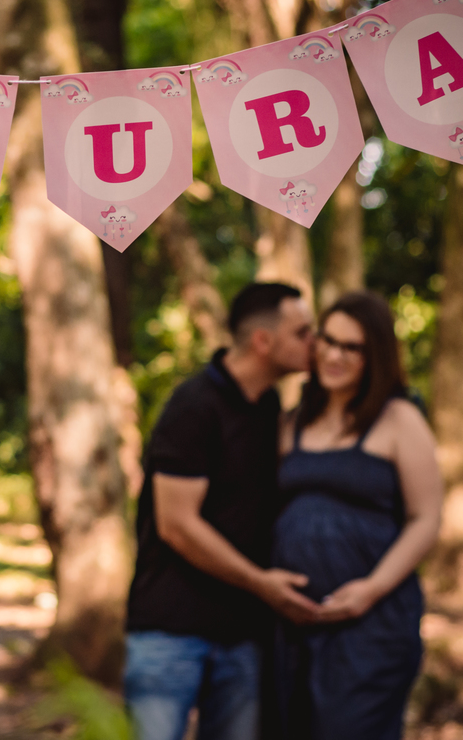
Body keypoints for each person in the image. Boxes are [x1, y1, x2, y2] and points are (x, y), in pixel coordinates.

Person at [124, 282, 320, 740]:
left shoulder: (269, 405)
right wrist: (262, 584)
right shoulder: (193, 407)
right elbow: (176, 525)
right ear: (263, 342)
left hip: (242, 636)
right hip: (170, 633)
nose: (315, 343)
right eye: (303, 332)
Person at [271, 291, 443, 740]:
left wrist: (371, 589)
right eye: (327, 340)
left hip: (372, 627)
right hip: (290, 625)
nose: (333, 354)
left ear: (375, 356)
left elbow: (425, 519)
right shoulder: (291, 423)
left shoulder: (400, 419)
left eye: (352, 347)